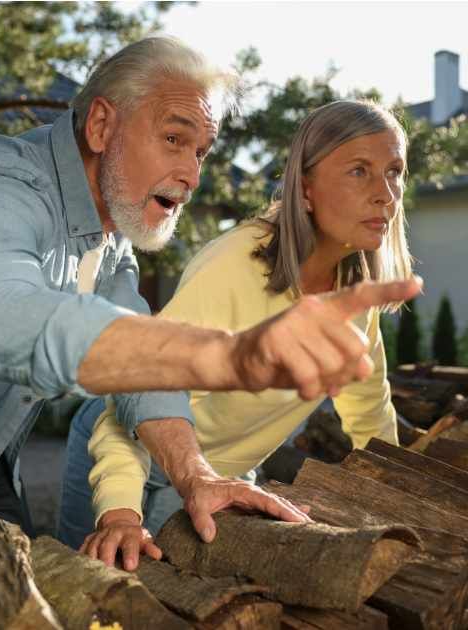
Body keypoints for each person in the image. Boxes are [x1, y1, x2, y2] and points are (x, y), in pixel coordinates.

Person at [0, 34, 420, 629]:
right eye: (174, 139)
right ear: (102, 126)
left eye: (202, 151)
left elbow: (138, 379)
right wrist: (226, 357)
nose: (191, 175)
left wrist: (196, 475)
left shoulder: (111, 247)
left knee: (38, 608)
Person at [57, 100, 412, 570]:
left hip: (222, 476)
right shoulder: (233, 267)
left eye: (395, 171)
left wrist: (405, 497)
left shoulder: (353, 290)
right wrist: (120, 513)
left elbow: (368, 411)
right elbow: (132, 392)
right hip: (128, 457)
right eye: (359, 171)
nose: (386, 194)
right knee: (92, 602)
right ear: (304, 189)